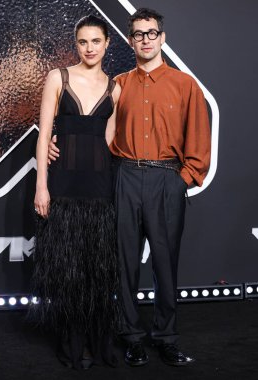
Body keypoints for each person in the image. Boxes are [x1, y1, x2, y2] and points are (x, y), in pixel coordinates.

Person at [48, 8, 211, 367]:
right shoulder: (118, 84)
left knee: (165, 264)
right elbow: (94, 129)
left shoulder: (185, 85)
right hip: (122, 177)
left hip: (167, 179)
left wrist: (180, 181)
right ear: (129, 40)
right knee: (123, 265)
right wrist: (49, 142)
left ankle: (166, 338)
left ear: (162, 38)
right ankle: (132, 337)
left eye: (151, 33)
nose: (145, 39)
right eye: (138, 34)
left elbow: (199, 142)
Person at [32, 15, 122, 370]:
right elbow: (43, 134)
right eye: (83, 42)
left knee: (97, 271)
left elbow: (112, 140)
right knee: (68, 273)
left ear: (106, 44)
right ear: (76, 43)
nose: (89, 48)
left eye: (95, 41)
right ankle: (74, 343)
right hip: (64, 185)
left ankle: (99, 341)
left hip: (101, 189)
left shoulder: (115, 88)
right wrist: (42, 186)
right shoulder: (59, 77)